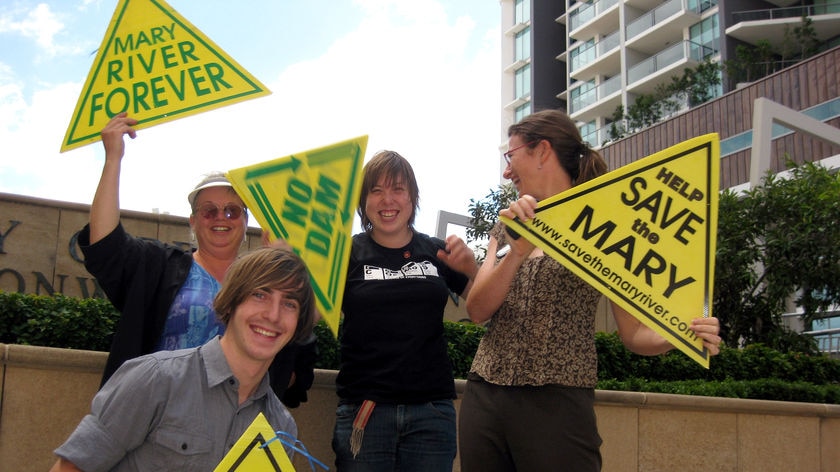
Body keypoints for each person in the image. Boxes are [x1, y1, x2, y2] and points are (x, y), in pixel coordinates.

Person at [458, 109, 723, 471]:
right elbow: (476, 311)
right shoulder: (507, 227)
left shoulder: (604, 223)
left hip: (558, 403)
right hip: (484, 395)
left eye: (511, 155)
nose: (507, 171)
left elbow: (634, 334)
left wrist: (682, 333)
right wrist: (516, 253)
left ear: (541, 151)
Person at [78, 112, 315, 406]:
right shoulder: (158, 266)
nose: (221, 218)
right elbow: (105, 245)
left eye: (232, 211)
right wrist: (113, 159)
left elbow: (296, 366)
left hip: (236, 431)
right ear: (193, 221)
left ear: (246, 222)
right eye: (209, 210)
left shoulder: (269, 285)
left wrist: (285, 270)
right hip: (154, 417)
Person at [49, 246, 318, 472]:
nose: (273, 315)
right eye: (260, 295)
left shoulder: (281, 426)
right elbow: (72, 467)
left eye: (289, 304)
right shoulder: (155, 379)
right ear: (231, 302)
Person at [331, 150, 479, 471]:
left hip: (431, 413)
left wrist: (472, 268)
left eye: (398, 189)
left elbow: (483, 307)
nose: (388, 200)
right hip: (364, 412)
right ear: (364, 200)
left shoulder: (436, 250)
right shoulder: (344, 254)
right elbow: (308, 316)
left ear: (412, 198)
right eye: (377, 190)